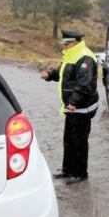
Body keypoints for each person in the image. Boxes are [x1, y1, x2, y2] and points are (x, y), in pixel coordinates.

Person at [40, 29, 98, 184]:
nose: (64, 47)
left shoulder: (85, 57)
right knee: (69, 139)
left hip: (81, 107)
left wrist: (74, 102)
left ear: (75, 42)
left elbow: (84, 85)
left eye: (67, 44)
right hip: (71, 107)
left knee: (79, 140)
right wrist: (50, 74)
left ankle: (80, 173)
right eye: (63, 44)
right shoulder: (71, 55)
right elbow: (63, 73)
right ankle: (67, 169)